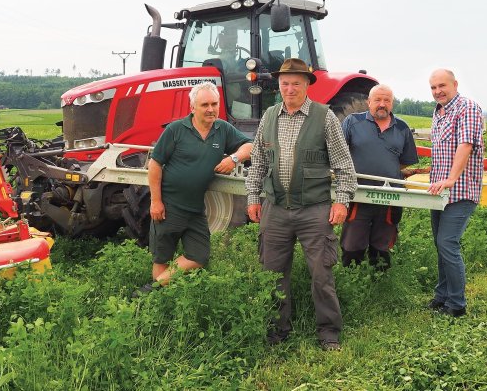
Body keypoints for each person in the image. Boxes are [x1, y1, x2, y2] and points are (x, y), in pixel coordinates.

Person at [245, 58, 357, 350]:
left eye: (296, 82)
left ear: (307, 84)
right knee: (272, 273)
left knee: (321, 274)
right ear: (279, 86)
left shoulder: (325, 117)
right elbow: (257, 161)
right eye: (285, 83)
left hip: (314, 209)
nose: (290, 88)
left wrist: (342, 201)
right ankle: (277, 330)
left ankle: (329, 333)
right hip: (276, 208)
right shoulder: (269, 116)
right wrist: (252, 198)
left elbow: (344, 165)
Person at [133, 82, 253, 296]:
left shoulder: (222, 129)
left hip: (196, 209)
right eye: (204, 104)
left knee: (199, 256)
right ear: (192, 108)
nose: (210, 109)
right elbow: (155, 164)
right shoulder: (176, 130)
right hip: (169, 205)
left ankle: (150, 290)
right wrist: (156, 201)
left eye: (214, 104)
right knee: (162, 257)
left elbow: (250, 146)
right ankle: (159, 300)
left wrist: (234, 158)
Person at [340, 84, 418, 270]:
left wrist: (385, 170)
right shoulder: (352, 122)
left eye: (387, 100)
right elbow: (340, 154)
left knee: (382, 245)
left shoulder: (402, 128)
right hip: (358, 194)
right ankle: (352, 280)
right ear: (369, 102)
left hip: (389, 197)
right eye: (377, 100)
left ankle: (380, 284)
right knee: (352, 245)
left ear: (392, 104)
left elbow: (405, 161)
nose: (382, 104)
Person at [426, 69, 484, 317]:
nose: (437, 91)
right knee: (441, 245)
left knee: (447, 243)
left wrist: (451, 178)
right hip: (439, 192)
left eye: (442, 86)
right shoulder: (438, 112)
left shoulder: (467, 108)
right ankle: (442, 296)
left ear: (455, 84)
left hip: (460, 190)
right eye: (433, 87)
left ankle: (457, 304)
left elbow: (466, 145)